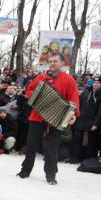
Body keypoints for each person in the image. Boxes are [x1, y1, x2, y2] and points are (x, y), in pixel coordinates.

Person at [17, 53, 79, 185]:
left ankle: (51, 175)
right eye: (50, 61)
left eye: (55, 61)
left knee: (52, 148)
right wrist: (36, 97)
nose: (52, 63)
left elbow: (74, 100)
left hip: (56, 118)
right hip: (37, 116)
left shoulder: (69, 80)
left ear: (63, 63)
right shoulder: (41, 77)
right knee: (31, 145)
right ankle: (25, 170)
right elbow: (29, 91)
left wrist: (73, 115)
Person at [69, 77, 101, 163]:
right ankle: (74, 158)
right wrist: (74, 116)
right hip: (80, 120)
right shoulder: (85, 92)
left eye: (98, 83)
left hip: (91, 122)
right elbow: (78, 105)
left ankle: (86, 159)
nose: (96, 84)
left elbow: (100, 112)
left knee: (90, 143)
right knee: (76, 139)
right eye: (94, 82)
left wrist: (95, 124)